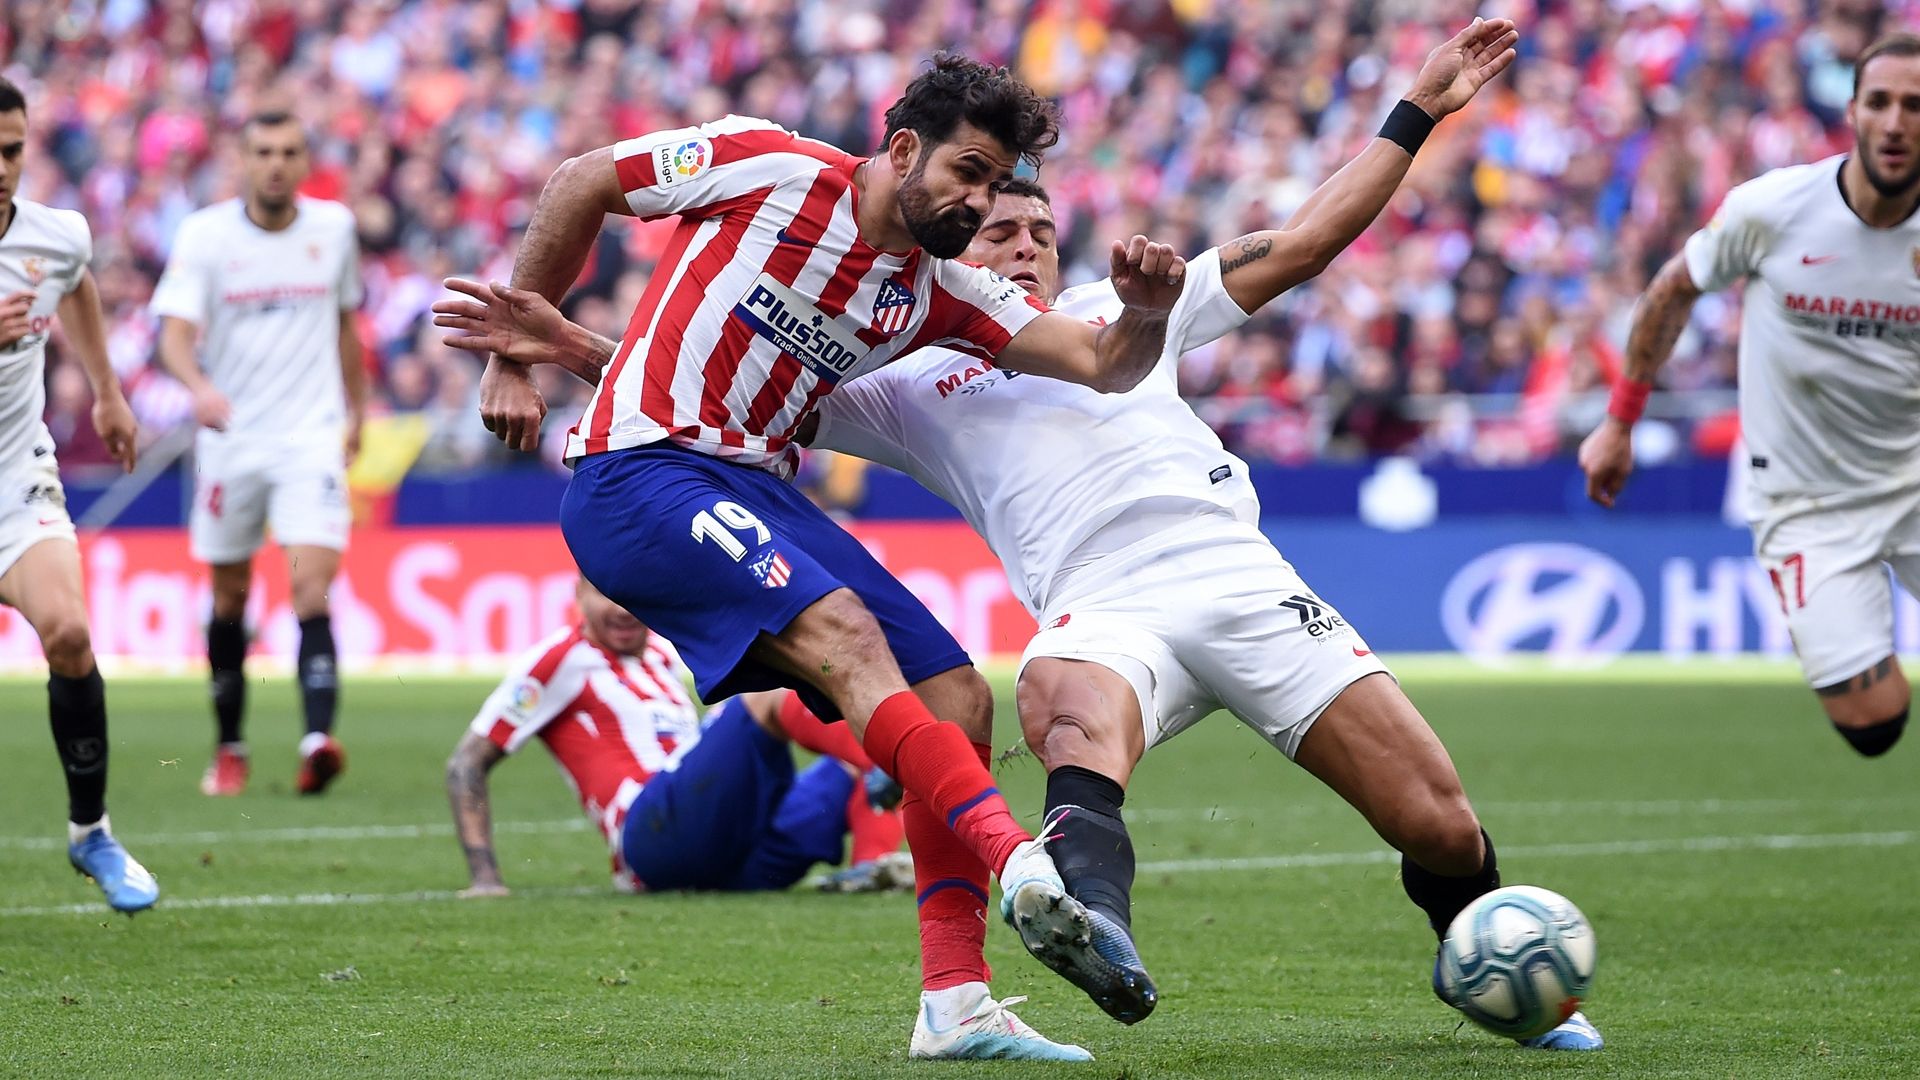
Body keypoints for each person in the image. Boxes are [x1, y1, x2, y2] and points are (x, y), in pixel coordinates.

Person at [439, 19, 1602, 1053]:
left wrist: (1404, 121)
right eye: (986, 205)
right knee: (1021, 701)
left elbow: (1235, 284)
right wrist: (546, 343)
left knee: (1422, 817)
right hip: (1086, 605)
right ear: (914, 162)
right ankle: (1044, 885)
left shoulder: (1043, 312)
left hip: (1237, 576)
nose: (1011, 230)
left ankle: (958, 1000)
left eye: (1032, 214)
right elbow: (719, 361)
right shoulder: (903, 359)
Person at [446, 53, 1190, 1061]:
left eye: (995, 181)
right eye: (968, 173)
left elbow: (1101, 364)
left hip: (756, 488)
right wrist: (511, 355)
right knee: (841, 634)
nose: (978, 202)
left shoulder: (940, 293)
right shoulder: (767, 166)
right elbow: (583, 179)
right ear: (902, 149)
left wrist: (1144, 312)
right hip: (638, 471)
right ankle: (1022, 867)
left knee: (957, 697)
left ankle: (957, 1006)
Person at [1580, 32, 1920, 762]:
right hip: (1807, 500)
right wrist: (1619, 423)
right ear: (1853, 111)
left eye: (1916, 107)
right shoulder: (1774, 210)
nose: (1896, 124)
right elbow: (1673, 289)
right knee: (1874, 724)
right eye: (1881, 103)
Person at [151, 110, 370, 797]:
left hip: (310, 436)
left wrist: (358, 410)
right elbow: (175, 335)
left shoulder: (333, 230)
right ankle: (230, 746)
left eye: (289, 151)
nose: (276, 163)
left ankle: (316, 740)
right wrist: (198, 388)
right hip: (232, 438)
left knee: (311, 587)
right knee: (230, 596)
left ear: (306, 162)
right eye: (263, 152)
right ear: (243, 160)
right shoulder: (205, 235)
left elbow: (344, 327)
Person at [446, 578, 908, 897]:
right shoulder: (560, 659)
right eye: (607, 594)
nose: (624, 610)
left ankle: (874, 868)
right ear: (579, 594)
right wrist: (485, 876)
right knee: (766, 698)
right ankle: (889, 760)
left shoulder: (664, 657)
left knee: (852, 759)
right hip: (652, 842)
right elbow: (466, 762)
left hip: (730, 854)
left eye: (635, 596)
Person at [0, 76, 157, 912]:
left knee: (67, 631)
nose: (1, 167)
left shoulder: (54, 236)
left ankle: (90, 830)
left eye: (13, 150)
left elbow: (79, 285)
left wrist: (107, 390)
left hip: (14, 475)